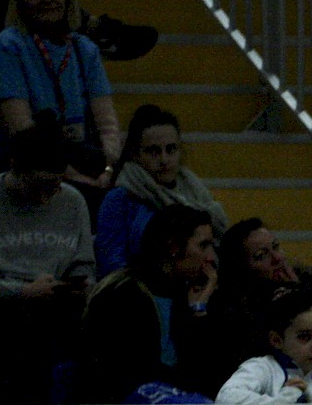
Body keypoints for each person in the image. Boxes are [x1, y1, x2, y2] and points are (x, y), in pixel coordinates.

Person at [0, 121, 94, 402]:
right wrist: (24, 291)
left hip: (59, 304)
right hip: (0, 309)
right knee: (25, 333)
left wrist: (80, 286)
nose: (45, 197)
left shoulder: (72, 201)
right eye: (37, 186)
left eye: (54, 186)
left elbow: (84, 264)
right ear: (14, 168)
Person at [74, 205, 248, 403]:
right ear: (173, 247)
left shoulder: (193, 296)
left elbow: (215, 375)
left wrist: (199, 313)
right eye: (203, 246)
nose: (211, 257)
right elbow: (131, 375)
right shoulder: (122, 296)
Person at [0, 0, 121, 203]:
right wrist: (72, 176)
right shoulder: (8, 46)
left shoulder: (85, 49)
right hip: (26, 172)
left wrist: (108, 169)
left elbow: (108, 128)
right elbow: (21, 134)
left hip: (84, 167)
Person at [95, 104, 228, 277]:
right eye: (154, 151)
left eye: (171, 149)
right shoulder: (119, 199)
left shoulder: (196, 192)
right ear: (136, 154)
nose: (164, 159)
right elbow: (111, 265)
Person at [218, 217, 312, 369]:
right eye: (261, 255)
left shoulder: (308, 281)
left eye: (276, 247)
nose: (277, 258)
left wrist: (303, 298)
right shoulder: (232, 308)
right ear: (242, 270)